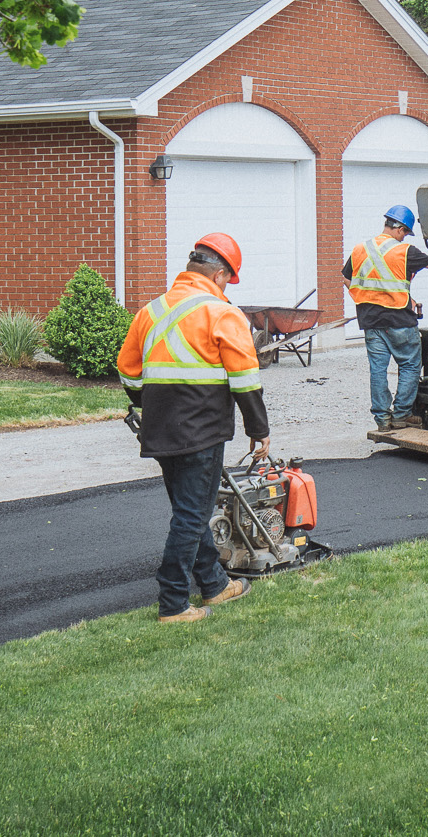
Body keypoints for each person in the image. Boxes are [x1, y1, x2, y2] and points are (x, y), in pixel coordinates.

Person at [118, 232, 272, 626]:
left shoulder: (150, 310)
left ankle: (215, 584)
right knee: (190, 515)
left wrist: (148, 404)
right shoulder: (222, 313)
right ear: (220, 275)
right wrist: (259, 429)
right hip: (201, 428)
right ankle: (172, 602)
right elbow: (244, 378)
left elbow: (128, 371)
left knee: (191, 510)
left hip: (159, 427)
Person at [341, 204, 428, 432]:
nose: (405, 236)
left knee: (377, 370)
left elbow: (347, 278)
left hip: (370, 321)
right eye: (406, 232)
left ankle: (382, 420)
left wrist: (367, 296)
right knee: (409, 365)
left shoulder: (360, 249)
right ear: (399, 229)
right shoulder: (403, 251)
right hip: (399, 321)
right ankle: (401, 415)